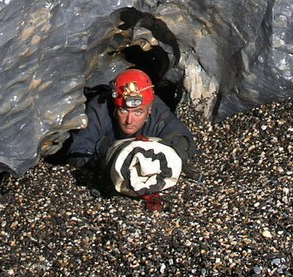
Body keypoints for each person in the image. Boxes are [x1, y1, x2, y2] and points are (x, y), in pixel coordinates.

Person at [66, 68, 196, 190]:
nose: (129, 120)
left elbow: (182, 139)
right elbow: (77, 152)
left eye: (138, 112)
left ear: (149, 109)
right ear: (114, 107)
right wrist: (104, 159)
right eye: (123, 111)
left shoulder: (157, 110)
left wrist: (164, 155)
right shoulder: (99, 109)